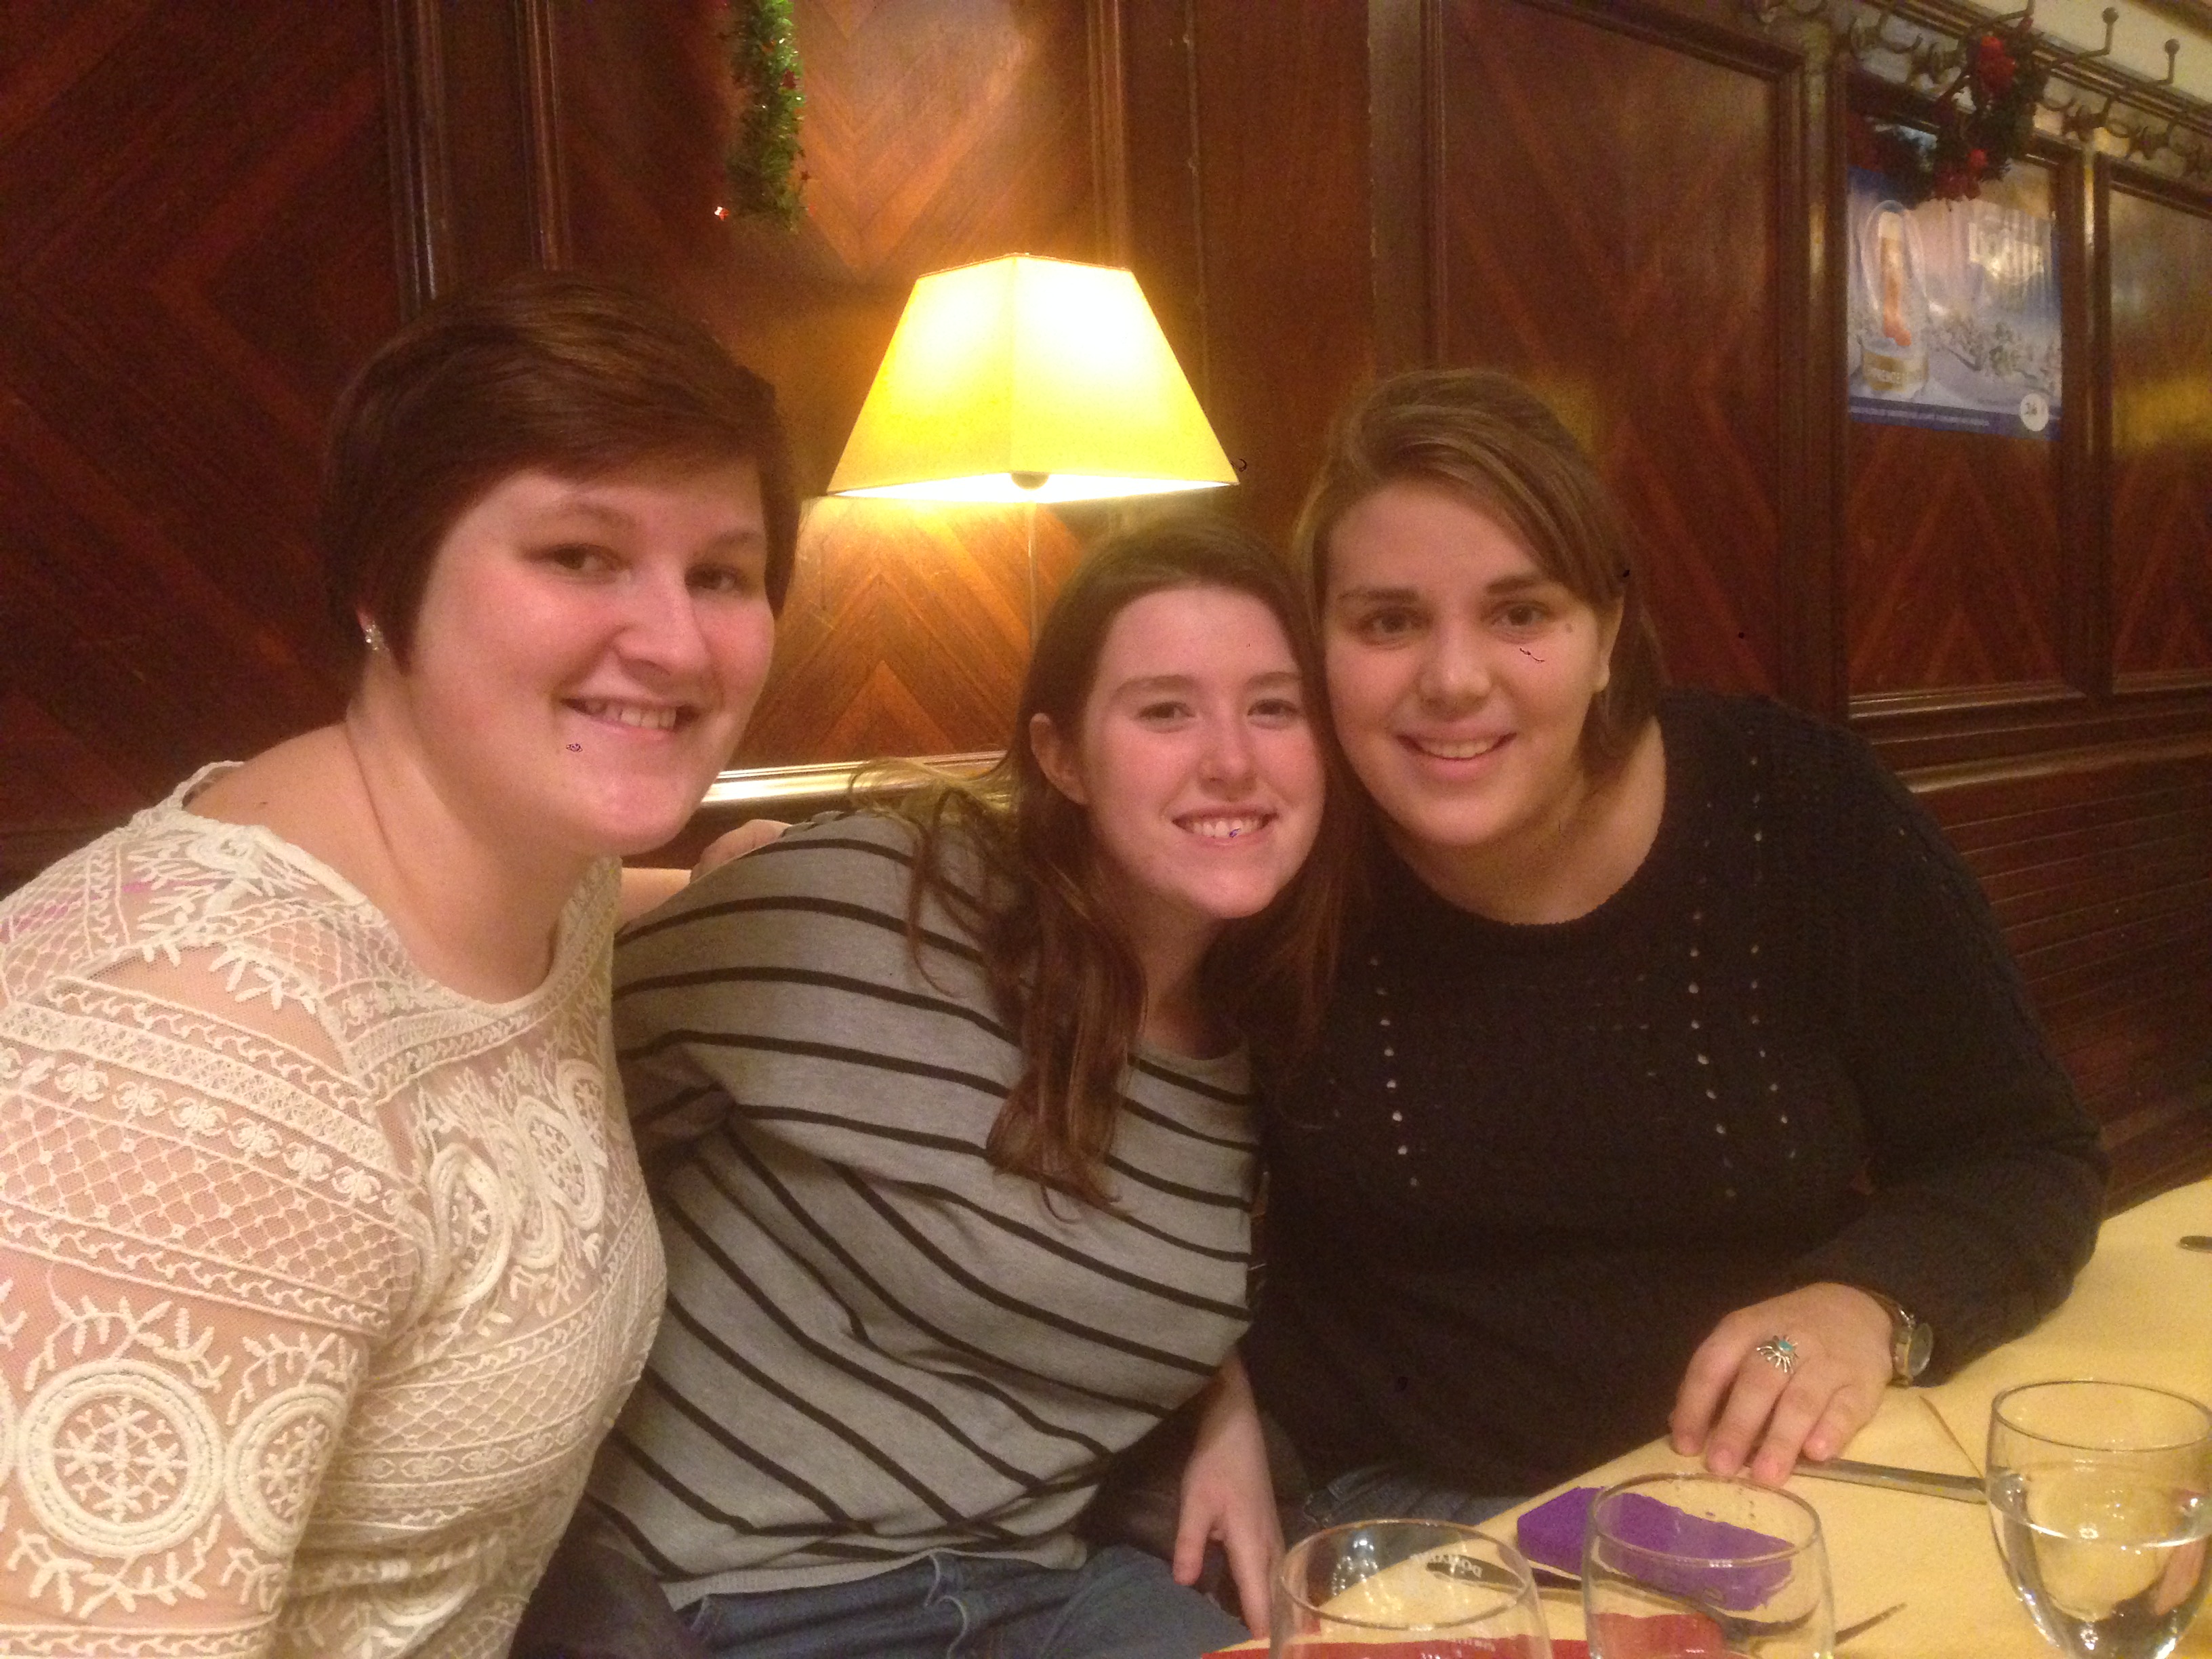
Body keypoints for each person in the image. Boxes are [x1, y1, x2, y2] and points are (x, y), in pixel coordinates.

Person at [0, 270, 796, 1656]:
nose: (676, 643)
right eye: (580, 555)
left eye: (721, 574)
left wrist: (741, 871)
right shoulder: (199, 1087)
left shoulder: (539, 863)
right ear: (383, 583)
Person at [1240, 367, 2108, 1527]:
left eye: (1521, 613)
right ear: (1319, 645)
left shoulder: (1796, 807)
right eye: (1388, 622)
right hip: (1409, 1518)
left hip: (1772, 1489)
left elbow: (2026, 1153)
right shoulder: (1270, 855)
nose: (1452, 679)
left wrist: (1864, 1302)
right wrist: (1210, 1406)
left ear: (1607, 634)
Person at [516, 518, 1353, 1659]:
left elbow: (1097, 1271)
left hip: (1036, 1591)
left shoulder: (1271, 1031)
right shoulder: (881, 910)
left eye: (1275, 708)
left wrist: (1221, 1403)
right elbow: (539, 1094)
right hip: (731, 1600)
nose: (1232, 762)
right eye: (1166, 711)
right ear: (1061, 758)